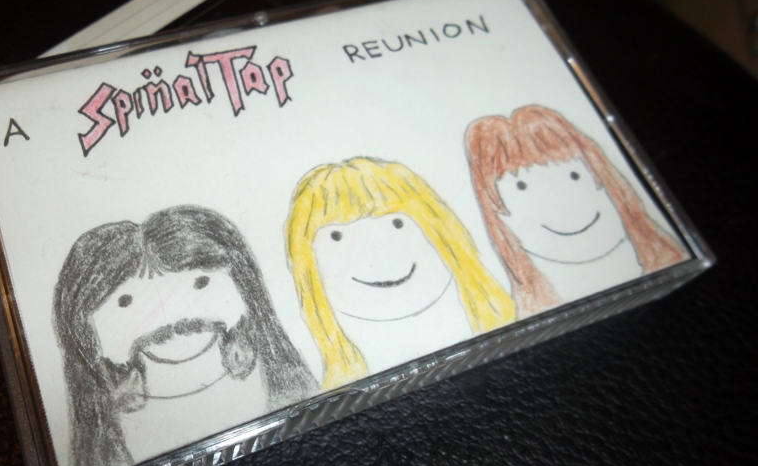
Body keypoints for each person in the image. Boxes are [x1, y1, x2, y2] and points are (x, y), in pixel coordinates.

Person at [53, 205, 316, 466]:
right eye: (125, 301)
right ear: (84, 334)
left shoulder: (292, 395)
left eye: (200, 282)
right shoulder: (107, 455)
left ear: (245, 289)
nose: (171, 315)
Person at [286, 157, 515, 390]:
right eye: (337, 236)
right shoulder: (345, 381)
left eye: (397, 223)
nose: (376, 253)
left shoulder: (503, 326)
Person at [465, 105, 688, 318]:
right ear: (495, 213)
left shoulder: (670, 259)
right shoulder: (525, 308)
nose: (561, 203)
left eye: (574, 176)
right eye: (521, 187)